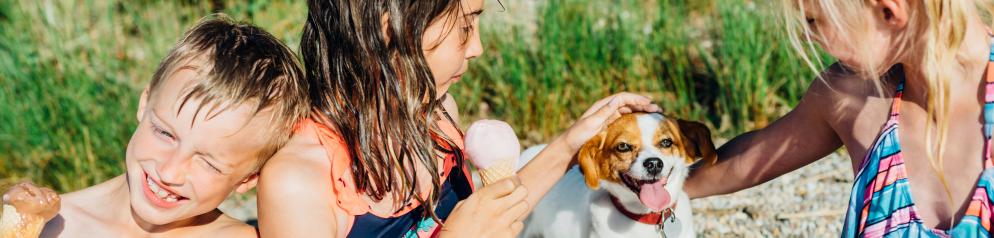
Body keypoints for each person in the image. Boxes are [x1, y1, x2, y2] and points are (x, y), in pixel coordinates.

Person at [256, 0, 660, 237]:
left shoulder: (438, 115)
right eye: (466, 25)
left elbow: (490, 218)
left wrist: (571, 144)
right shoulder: (299, 182)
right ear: (389, 28)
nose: (478, 47)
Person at [684, 0, 994, 236]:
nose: (807, 36)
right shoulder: (851, 98)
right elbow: (746, 163)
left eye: (813, 21)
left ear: (888, 11)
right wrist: (661, 184)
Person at [2, 15, 310, 237]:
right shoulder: (53, 226)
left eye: (208, 163)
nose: (170, 172)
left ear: (248, 179)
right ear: (144, 101)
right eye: (165, 133)